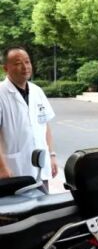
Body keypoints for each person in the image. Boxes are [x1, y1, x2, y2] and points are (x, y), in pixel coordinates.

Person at [0, 46, 58, 190]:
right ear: (6, 68)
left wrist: (52, 155)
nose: (25, 67)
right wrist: (2, 167)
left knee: (43, 202)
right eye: (18, 63)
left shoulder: (37, 91)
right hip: (14, 170)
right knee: (18, 204)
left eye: (27, 62)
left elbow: (45, 126)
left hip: (41, 167)